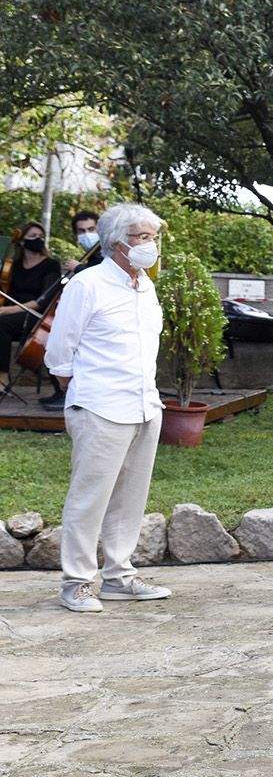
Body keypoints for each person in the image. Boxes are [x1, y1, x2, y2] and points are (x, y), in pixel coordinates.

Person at [42, 203, 171, 613]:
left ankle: (119, 575)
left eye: (154, 237)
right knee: (90, 497)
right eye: (143, 237)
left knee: (130, 497)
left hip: (145, 404)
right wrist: (77, 385)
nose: (151, 245)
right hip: (100, 406)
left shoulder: (145, 285)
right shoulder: (88, 284)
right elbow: (60, 351)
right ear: (116, 242)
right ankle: (77, 583)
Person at [1, 221, 62, 378]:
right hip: (11, 312)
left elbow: (42, 300)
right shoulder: (13, 265)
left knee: (1, 323)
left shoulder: (51, 265)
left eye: (41, 236)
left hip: (36, 315)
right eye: (33, 236)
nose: (38, 239)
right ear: (21, 241)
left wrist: (8, 309)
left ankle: (2, 377)